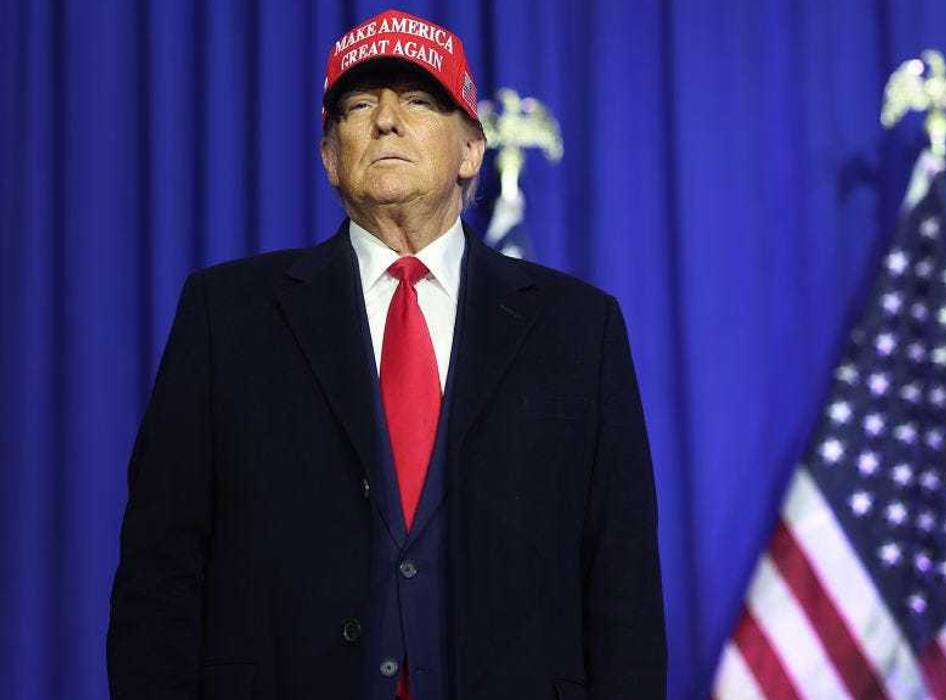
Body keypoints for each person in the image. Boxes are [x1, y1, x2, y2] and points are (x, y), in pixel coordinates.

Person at [106, 9, 666, 699]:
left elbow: (622, 584)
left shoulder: (578, 328)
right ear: (329, 156)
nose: (386, 121)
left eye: (419, 101)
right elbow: (160, 571)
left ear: (471, 150)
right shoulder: (227, 315)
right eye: (359, 105)